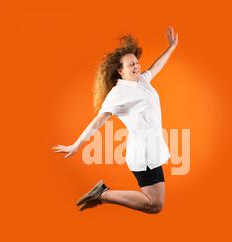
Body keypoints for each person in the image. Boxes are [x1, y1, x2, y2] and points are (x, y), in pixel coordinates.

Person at [53, 26, 179, 213]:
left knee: (155, 204)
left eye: (136, 63)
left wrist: (172, 47)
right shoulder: (119, 93)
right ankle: (102, 195)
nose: (137, 66)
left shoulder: (141, 81)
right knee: (154, 205)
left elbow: (156, 66)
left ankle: (101, 194)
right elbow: (99, 120)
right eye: (131, 65)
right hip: (143, 153)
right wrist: (76, 145)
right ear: (120, 71)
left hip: (152, 150)